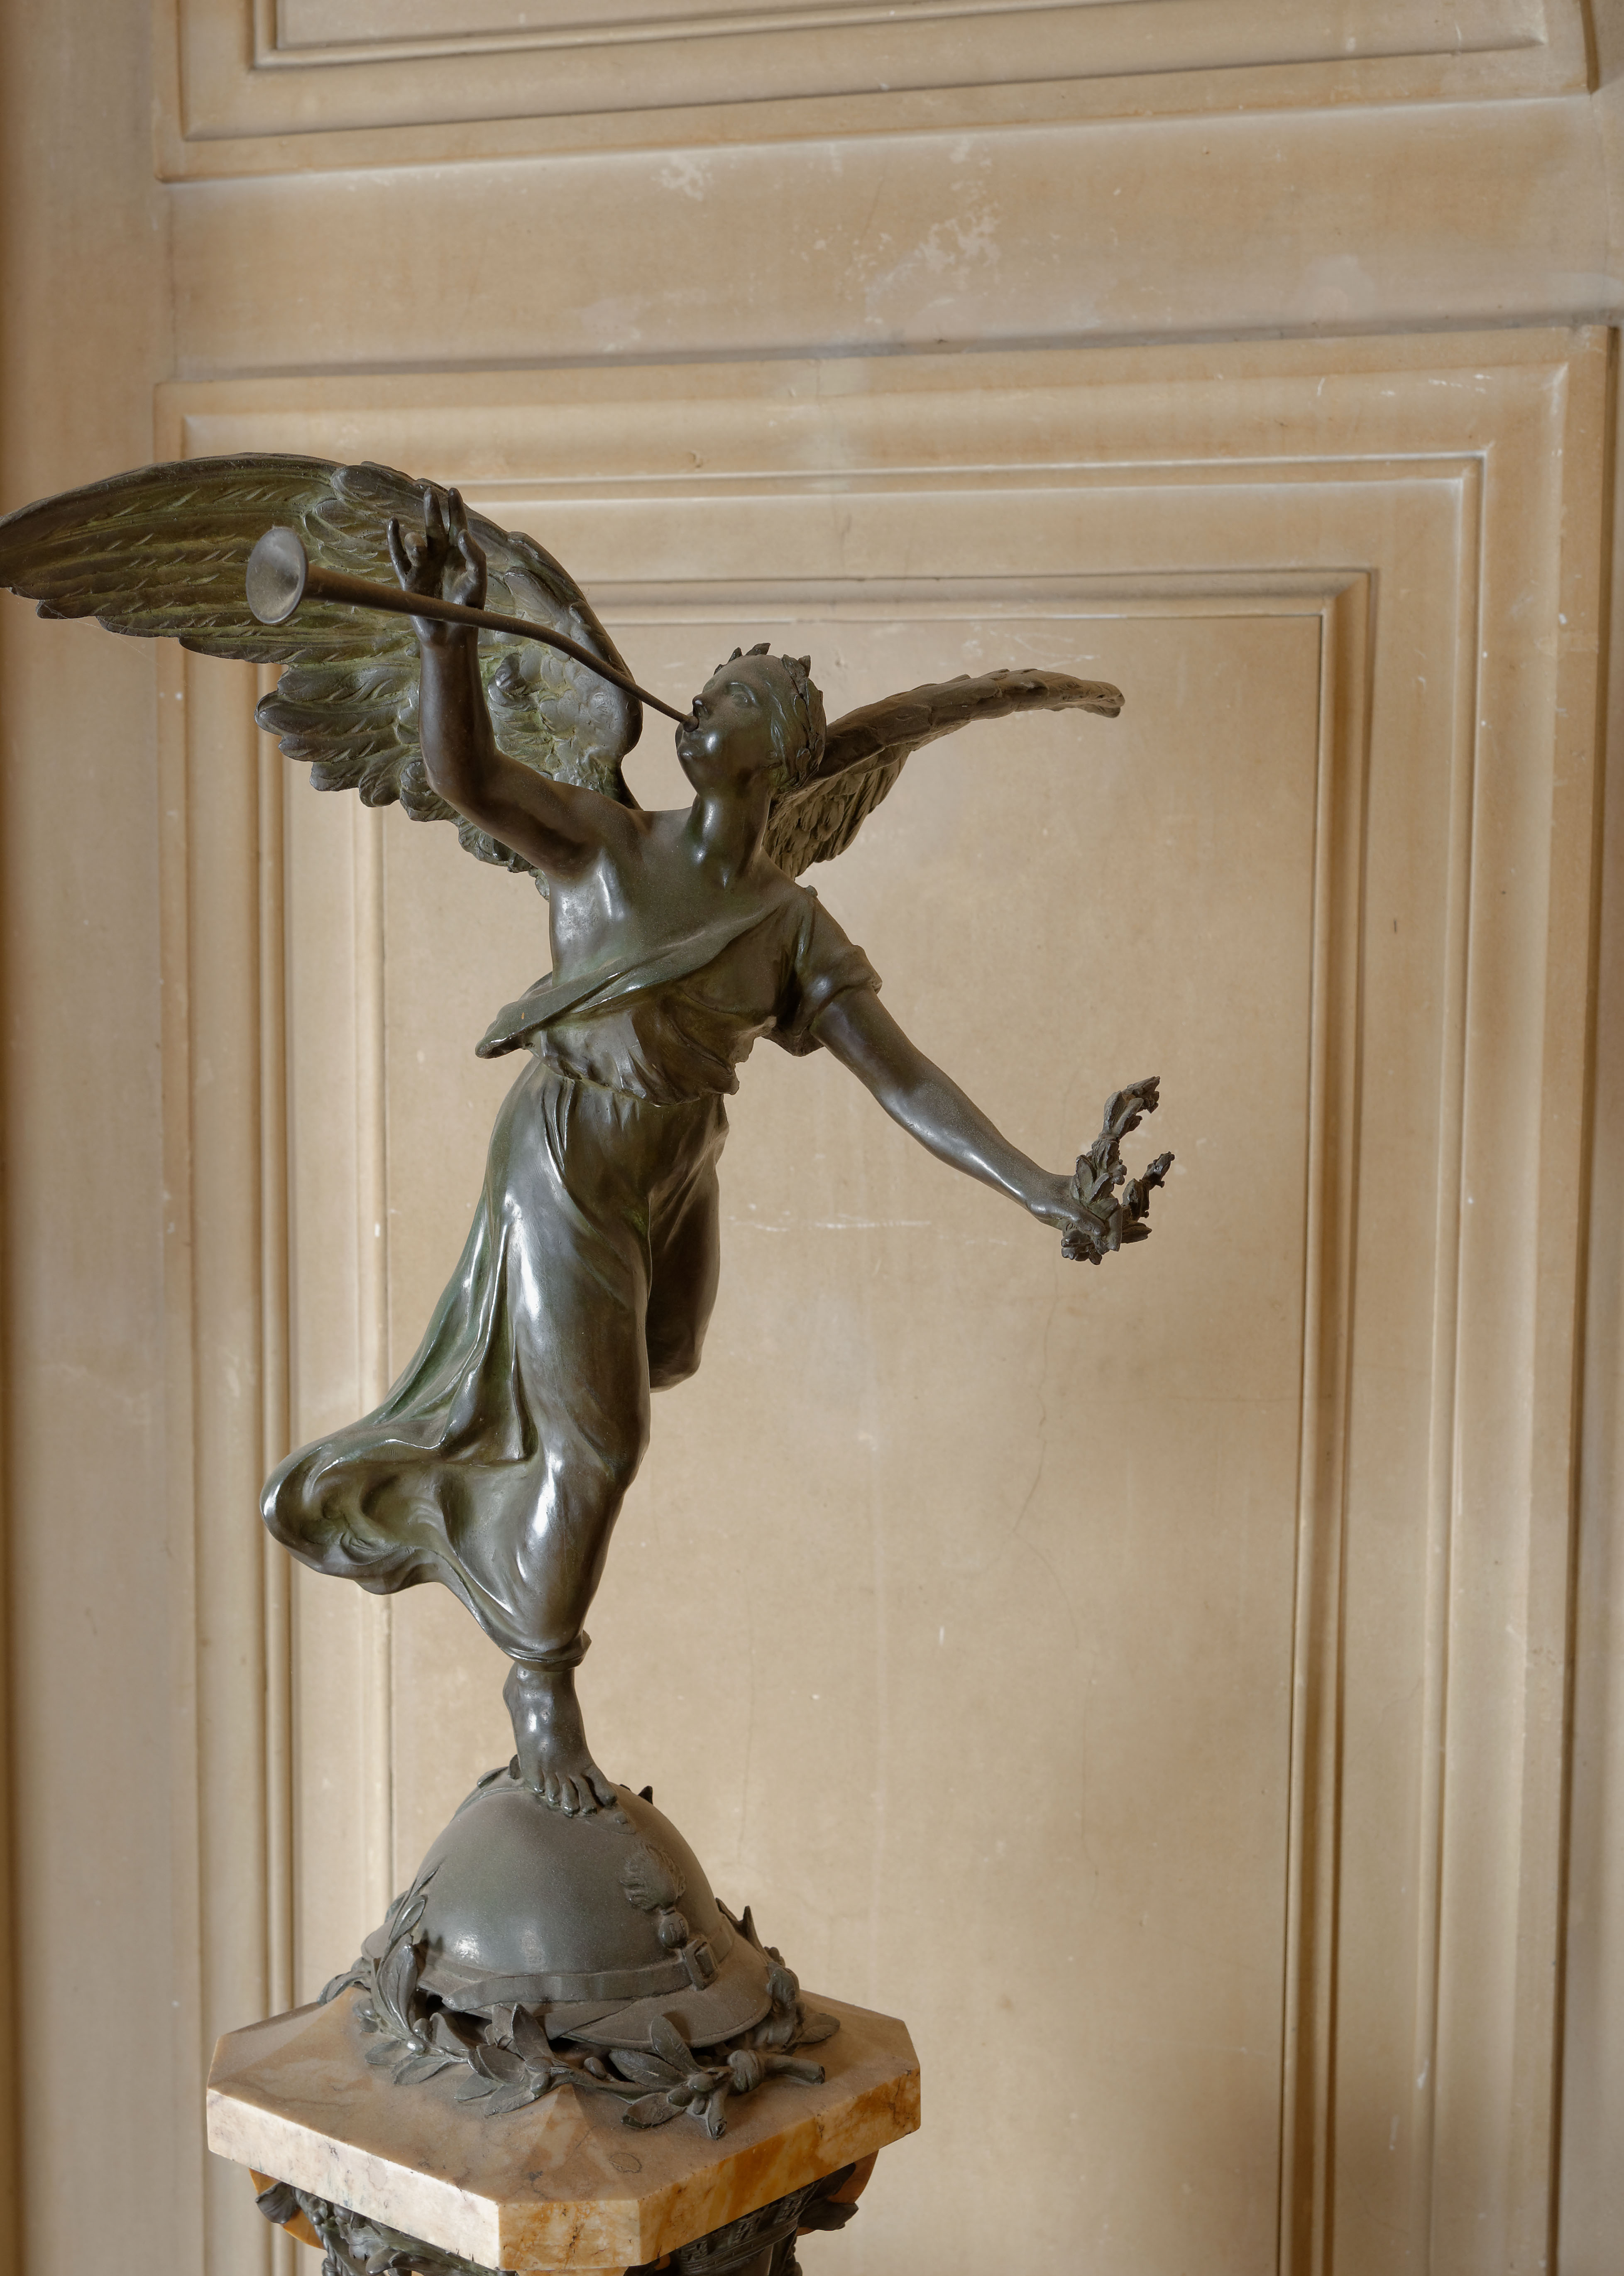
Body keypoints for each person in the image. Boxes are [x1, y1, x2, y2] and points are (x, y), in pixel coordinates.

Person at [264, 490, 1118, 1813]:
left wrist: (1042, 1188)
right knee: (599, 1446)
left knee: (660, 1362)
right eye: (709, 692)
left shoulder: (785, 924)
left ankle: (504, 1509)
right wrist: (445, 633)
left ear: (778, 755)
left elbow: (901, 1076)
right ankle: (541, 1693)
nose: (700, 704)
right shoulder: (602, 846)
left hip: (675, 1174)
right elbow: (469, 780)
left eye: (733, 699)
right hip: (565, 1159)